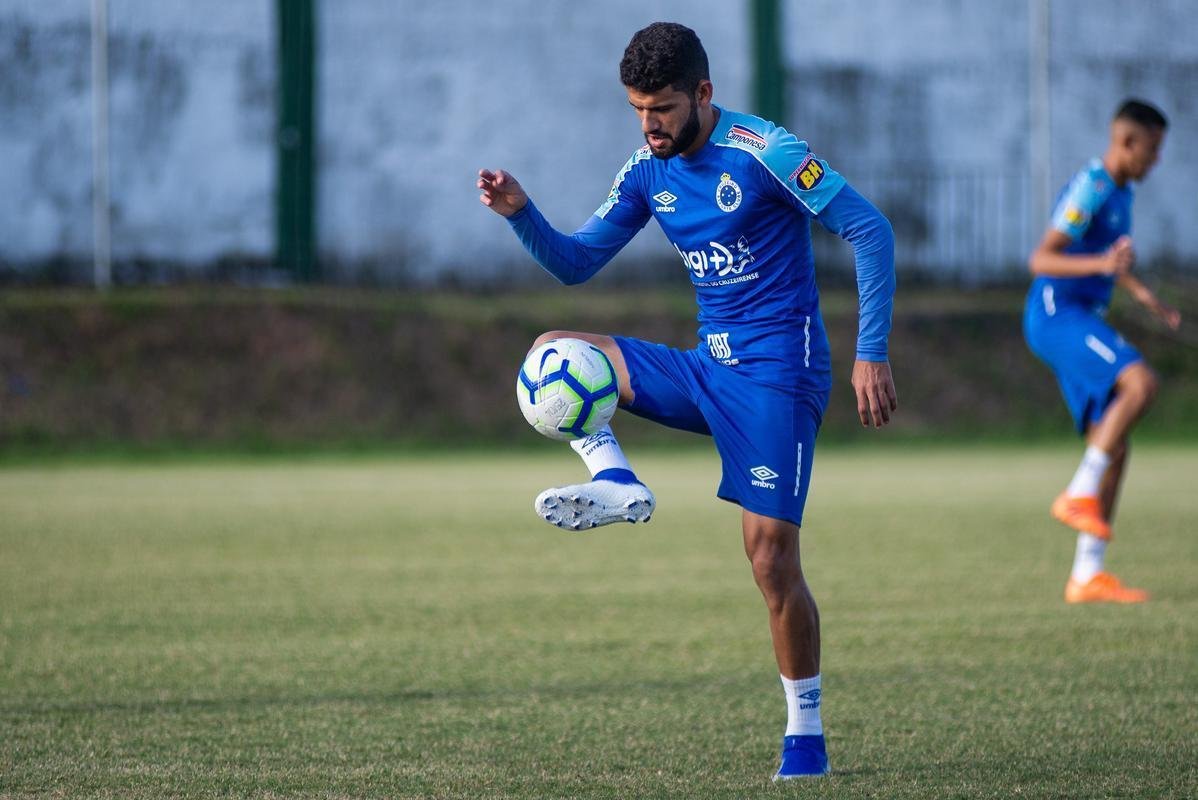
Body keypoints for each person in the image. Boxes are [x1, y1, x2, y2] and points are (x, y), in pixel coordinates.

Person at [478, 22, 896, 779]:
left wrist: (871, 351)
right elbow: (576, 263)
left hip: (778, 378)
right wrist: (520, 213)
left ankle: (805, 736)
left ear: (703, 93)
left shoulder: (766, 152)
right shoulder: (647, 170)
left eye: (663, 108)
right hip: (708, 370)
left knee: (770, 560)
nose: (649, 125)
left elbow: (869, 230)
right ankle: (616, 479)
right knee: (555, 349)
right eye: (638, 109)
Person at [1024, 98, 1180, 604]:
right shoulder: (1092, 186)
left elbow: (1108, 257)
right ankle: (1077, 492)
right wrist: (1102, 266)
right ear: (1127, 142)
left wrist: (1142, 294)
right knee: (1141, 383)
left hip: (1079, 316)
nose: (1156, 160)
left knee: (1116, 443)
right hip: (1057, 313)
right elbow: (1041, 259)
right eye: (1152, 149)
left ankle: (1087, 574)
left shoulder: (1121, 192)